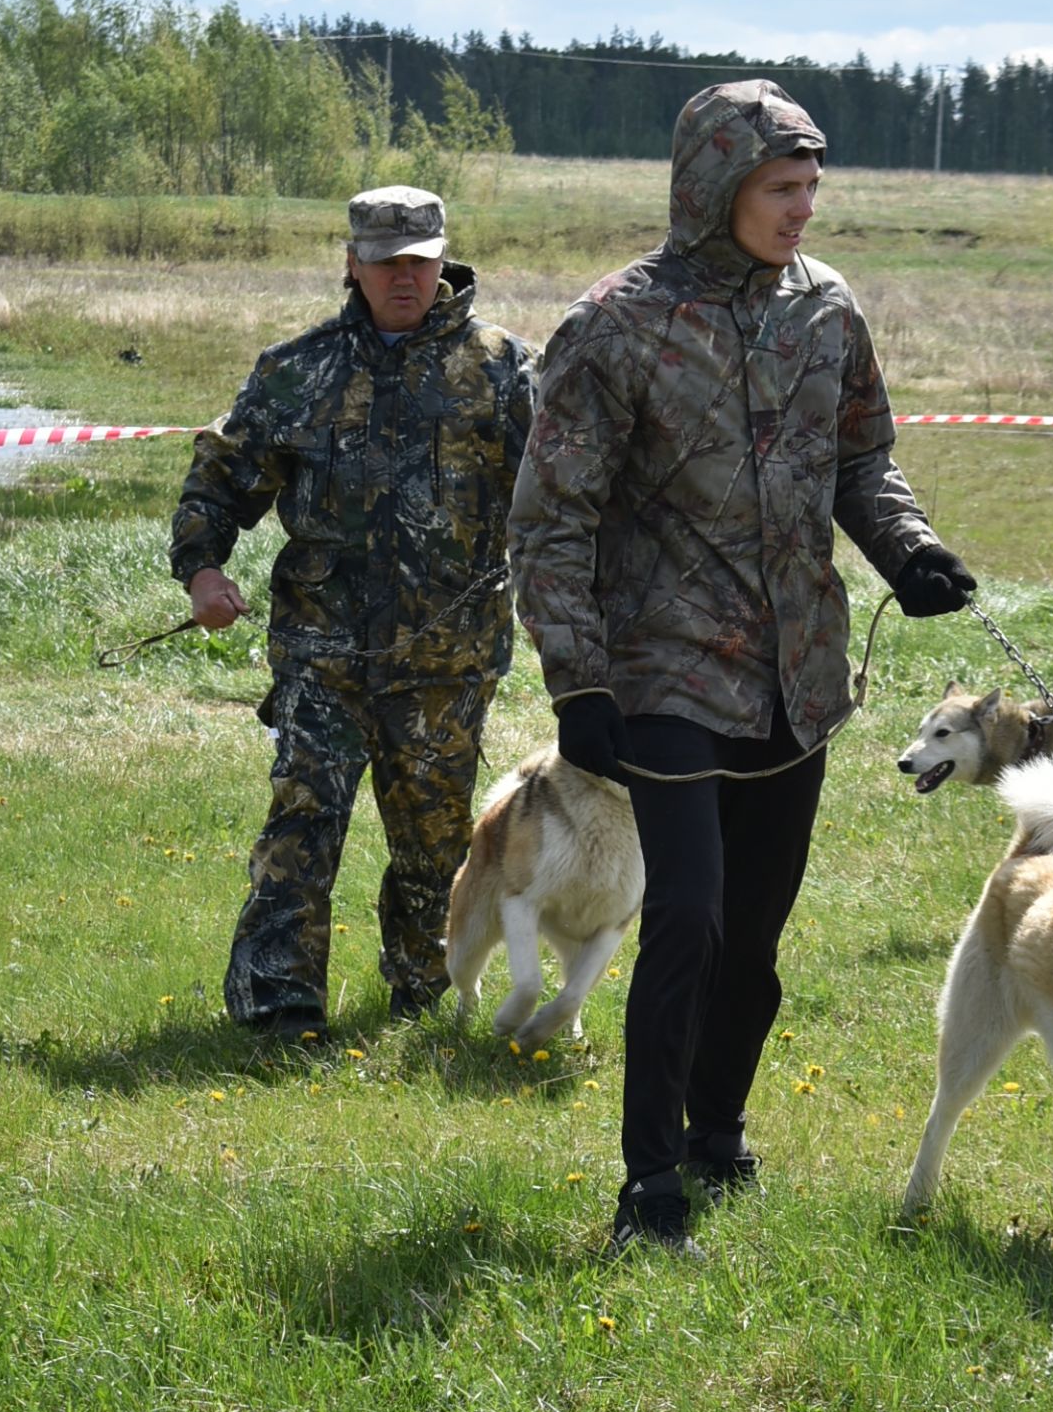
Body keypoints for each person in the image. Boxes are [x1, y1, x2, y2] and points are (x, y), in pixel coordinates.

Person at [509, 77, 976, 1253]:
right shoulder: (614, 324)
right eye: (781, 187)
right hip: (661, 672)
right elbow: (549, 523)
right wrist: (578, 680)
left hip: (795, 674)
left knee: (757, 933)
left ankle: (717, 1131)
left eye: (813, 187)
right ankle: (648, 1182)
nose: (802, 209)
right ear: (716, 188)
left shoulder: (828, 312)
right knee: (691, 917)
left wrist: (908, 551)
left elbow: (864, 463)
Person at [171, 184, 534, 1037]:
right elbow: (219, 481)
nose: (402, 277)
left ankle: (424, 996)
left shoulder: (505, 371)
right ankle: (278, 1008)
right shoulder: (298, 371)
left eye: (418, 259)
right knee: (302, 826)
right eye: (384, 262)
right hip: (320, 654)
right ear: (353, 264)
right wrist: (203, 572)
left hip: (448, 662)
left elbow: (564, 496)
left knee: (435, 847)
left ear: (443, 259)